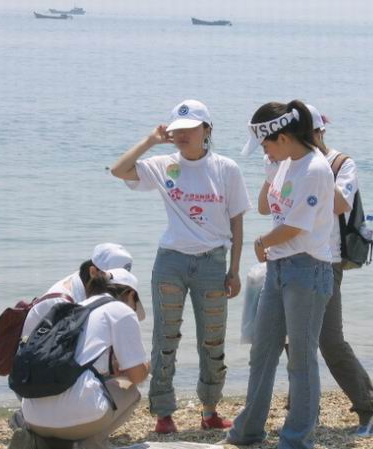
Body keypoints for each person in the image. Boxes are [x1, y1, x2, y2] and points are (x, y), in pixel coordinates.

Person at [111, 99, 251, 433]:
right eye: (177, 130)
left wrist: (234, 270)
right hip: (170, 262)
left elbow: (237, 224)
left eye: (190, 129)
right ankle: (163, 414)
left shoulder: (226, 168)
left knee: (212, 341)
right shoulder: (164, 164)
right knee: (165, 338)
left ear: (207, 129)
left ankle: (210, 410)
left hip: (213, 263)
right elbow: (119, 170)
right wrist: (150, 140)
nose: (182, 135)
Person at [226, 101, 334, 449]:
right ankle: (248, 431)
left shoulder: (315, 169)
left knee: (300, 360)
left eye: (266, 144)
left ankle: (296, 440)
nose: (264, 151)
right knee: (262, 352)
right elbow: (264, 207)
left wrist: (262, 241)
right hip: (278, 267)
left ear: (284, 137)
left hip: (308, 269)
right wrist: (272, 169)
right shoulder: (286, 162)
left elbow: (296, 226)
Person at [306, 104, 373, 437]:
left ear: (320, 132)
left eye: (308, 134)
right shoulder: (288, 162)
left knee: (330, 341)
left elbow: (340, 204)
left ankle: (369, 409)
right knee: (292, 340)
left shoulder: (341, 164)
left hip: (328, 260)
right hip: (293, 258)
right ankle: (304, 410)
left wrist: (313, 168)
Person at [16, 271, 149, 449]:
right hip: (76, 419)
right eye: (134, 305)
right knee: (129, 387)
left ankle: (41, 441)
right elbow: (137, 375)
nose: (132, 309)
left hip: (32, 417)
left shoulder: (74, 308)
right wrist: (145, 367)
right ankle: (89, 444)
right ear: (130, 294)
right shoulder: (121, 310)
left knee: (94, 385)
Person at [21, 242, 133, 338]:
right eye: (112, 281)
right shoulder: (63, 303)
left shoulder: (84, 283)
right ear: (93, 272)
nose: (117, 289)